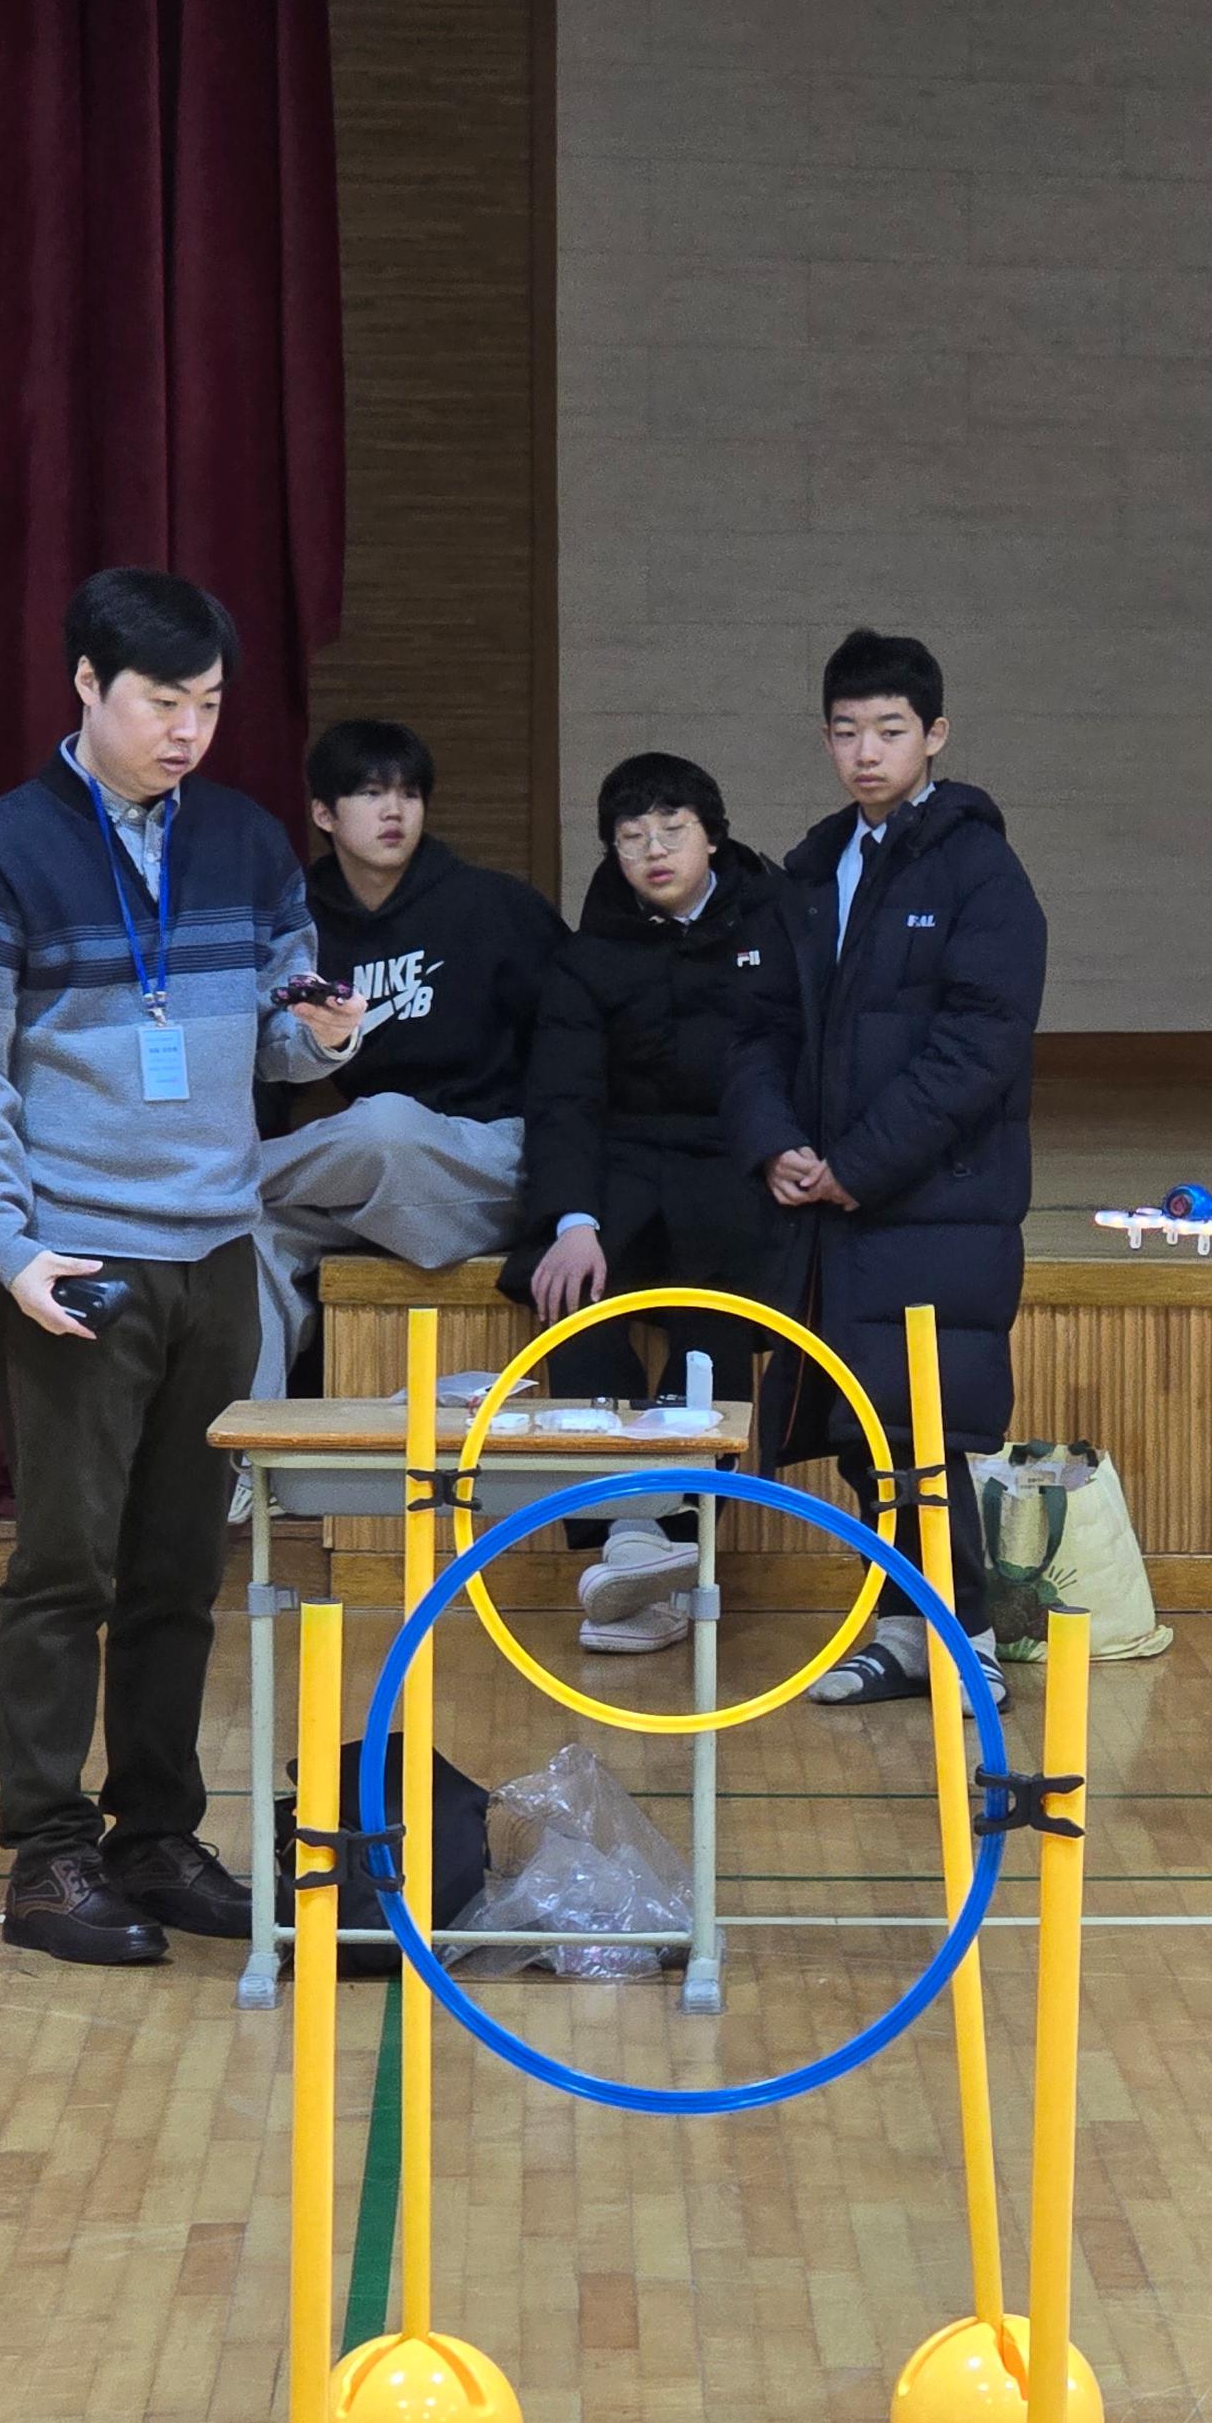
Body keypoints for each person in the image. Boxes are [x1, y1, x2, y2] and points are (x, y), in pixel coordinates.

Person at [0, 566, 364, 1965]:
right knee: (67, 1567)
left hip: (217, 1254)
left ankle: (156, 1832)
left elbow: (276, 1041)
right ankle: (48, 1852)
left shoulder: (244, 841)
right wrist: (12, 1248)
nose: (189, 730)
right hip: (81, 1263)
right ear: (86, 687)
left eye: (212, 704)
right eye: (163, 702)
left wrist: (330, 1034)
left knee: (184, 1564)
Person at [720, 626, 1043, 1705]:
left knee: (934, 1430)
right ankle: (903, 1632)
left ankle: (970, 1642)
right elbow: (754, 1029)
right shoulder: (812, 869)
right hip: (831, 1209)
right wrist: (778, 1145)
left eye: (891, 730)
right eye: (849, 731)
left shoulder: (980, 869)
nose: (868, 751)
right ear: (825, 738)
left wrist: (858, 1163)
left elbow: (980, 1047)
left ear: (936, 735)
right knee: (869, 1430)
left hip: (932, 1205)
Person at [503, 750, 792, 1652]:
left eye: (673, 832)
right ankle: (624, 1543)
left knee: (717, 1323)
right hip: (622, 1162)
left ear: (714, 834)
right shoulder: (590, 953)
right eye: (631, 839)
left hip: (737, 1158)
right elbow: (563, 1098)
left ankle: (670, 1559)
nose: (654, 852)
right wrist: (572, 1220)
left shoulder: (779, 925)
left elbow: (798, 1062)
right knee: (572, 1306)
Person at [247, 718, 564, 1395]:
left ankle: (210, 1184)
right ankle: (246, 1461)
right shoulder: (301, 926)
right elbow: (266, 1065)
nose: (395, 810)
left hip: (490, 1168)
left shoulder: (495, 907)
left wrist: (566, 1199)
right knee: (254, 1234)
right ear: (324, 813)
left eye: (410, 794)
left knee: (385, 1123)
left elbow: (570, 1056)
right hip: (383, 1186)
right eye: (370, 793)